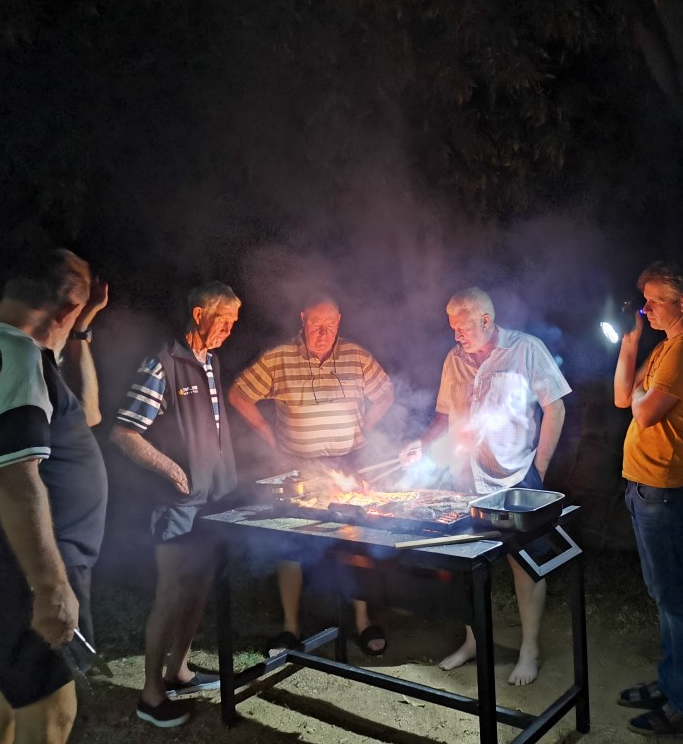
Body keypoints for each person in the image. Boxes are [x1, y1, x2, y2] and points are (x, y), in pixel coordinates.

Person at [0, 249, 109, 744]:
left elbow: (89, 414)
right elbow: (15, 479)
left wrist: (82, 328)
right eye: (75, 314)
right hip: (27, 575)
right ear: (65, 308)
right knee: (50, 718)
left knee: (1, 711)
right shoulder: (16, 358)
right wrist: (51, 588)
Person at [404, 287, 570, 686]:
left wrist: (539, 469)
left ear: (485, 320)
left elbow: (555, 407)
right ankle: (474, 641)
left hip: (516, 478)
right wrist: (422, 444)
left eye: (461, 327)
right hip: (466, 480)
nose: (456, 335)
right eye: (452, 327)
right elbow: (443, 416)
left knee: (525, 564)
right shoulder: (454, 359)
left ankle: (529, 649)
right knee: (468, 565)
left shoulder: (526, 349)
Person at [229, 294, 394, 655]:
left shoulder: (356, 356)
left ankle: (362, 621)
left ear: (339, 322)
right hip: (299, 468)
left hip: (347, 463)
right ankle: (291, 628)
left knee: (355, 542)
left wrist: (364, 426)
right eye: (316, 325)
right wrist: (268, 435)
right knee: (290, 543)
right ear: (302, 319)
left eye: (330, 325)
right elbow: (239, 394)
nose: (323, 333)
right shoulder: (279, 358)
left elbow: (386, 393)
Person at [110, 282, 241, 728]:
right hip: (175, 502)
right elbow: (124, 432)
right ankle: (151, 694)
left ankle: (179, 671)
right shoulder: (161, 364)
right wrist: (171, 469)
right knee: (171, 591)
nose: (229, 329)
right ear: (200, 315)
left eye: (234, 322)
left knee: (200, 584)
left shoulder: (210, 361)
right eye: (224, 320)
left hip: (211, 499)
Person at [612, 261, 683, 736]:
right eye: (645, 300)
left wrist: (642, 393)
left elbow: (646, 413)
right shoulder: (662, 347)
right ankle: (672, 681)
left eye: (655, 300)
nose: (645, 308)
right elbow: (624, 398)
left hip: (666, 488)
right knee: (663, 592)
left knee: (675, 596)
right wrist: (630, 344)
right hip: (645, 484)